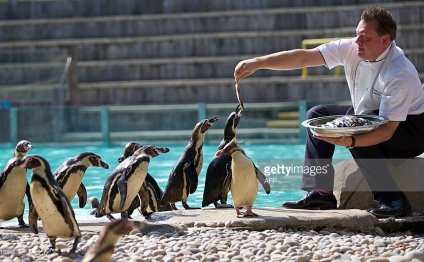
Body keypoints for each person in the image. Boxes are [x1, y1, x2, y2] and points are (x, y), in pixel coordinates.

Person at [233, 6, 424, 218]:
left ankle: (394, 201)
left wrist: (351, 142)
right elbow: (304, 58)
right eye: (357, 34)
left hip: (410, 130)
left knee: (356, 129)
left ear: (385, 41)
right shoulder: (352, 48)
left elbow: (387, 130)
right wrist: (259, 63)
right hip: (370, 115)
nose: (357, 41)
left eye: (365, 37)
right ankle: (321, 193)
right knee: (317, 116)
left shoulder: (399, 72)